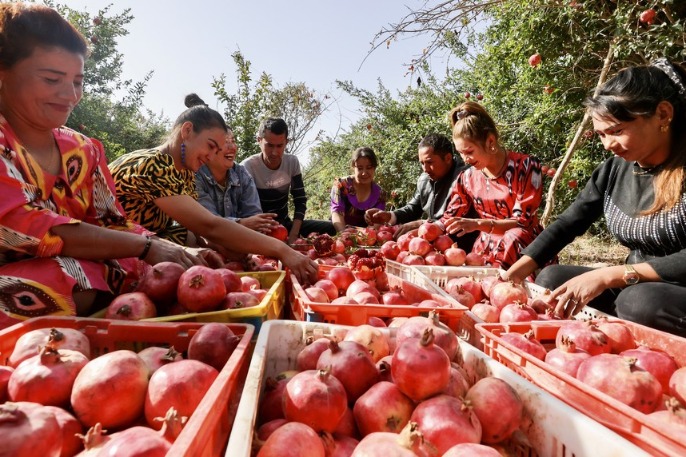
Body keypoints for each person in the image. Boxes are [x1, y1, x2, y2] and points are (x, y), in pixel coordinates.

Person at [0, 3, 209, 328]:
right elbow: (20, 228)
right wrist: (145, 247)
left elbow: (112, 223)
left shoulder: (83, 150)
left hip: (82, 268)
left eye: (78, 81)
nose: (70, 94)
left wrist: (167, 249)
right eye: (52, 79)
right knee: (49, 279)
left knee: (144, 264)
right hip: (17, 275)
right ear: (3, 71)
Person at [504, 59, 686, 337]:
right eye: (601, 134)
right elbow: (570, 221)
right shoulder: (615, 169)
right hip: (634, 282)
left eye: (616, 131)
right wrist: (517, 270)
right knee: (552, 280)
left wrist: (608, 275)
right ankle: (613, 333)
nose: (608, 145)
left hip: (664, 290)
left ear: (662, 114)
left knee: (638, 302)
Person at [109, 96, 318, 284]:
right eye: (210, 146)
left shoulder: (185, 173)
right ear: (187, 131)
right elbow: (209, 225)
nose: (211, 156)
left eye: (216, 150)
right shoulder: (154, 165)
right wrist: (281, 249)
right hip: (114, 243)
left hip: (147, 239)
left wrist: (223, 249)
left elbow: (199, 230)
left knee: (192, 242)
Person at [439, 101, 545, 269]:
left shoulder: (526, 167)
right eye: (460, 153)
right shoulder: (467, 177)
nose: (465, 159)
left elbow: (523, 223)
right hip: (484, 253)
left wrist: (478, 224)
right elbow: (450, 217)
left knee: (514, 236)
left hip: (523, 250)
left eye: (469, 151)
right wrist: (421, 229)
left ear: (490, 141)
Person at [364, 133, 477, 249]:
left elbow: (456, 219)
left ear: (448, 158)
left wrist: (423, 224)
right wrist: (390, 216)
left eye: (429, 162)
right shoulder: (425, 179)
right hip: (432, 251)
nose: (425, 169)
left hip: (464, 251)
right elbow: (414, 208)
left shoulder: (466, 178)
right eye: (422, 163)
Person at [241, 117, 336, 243]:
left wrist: (293, 235)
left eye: (280, 146)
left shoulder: (292, 162)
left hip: (285, 225)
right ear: (259, 140)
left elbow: (300, 200)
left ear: (287, 142)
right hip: (258, 230)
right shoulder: (247, 167)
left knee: (331, 228)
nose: (274, 152)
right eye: (269, 145)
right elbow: (247, 211)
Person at [195, 129, 278, 234]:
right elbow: (206, 224)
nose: (232, 147)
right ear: (209, 147)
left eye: (233, 141)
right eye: (225, 142)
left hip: (240, 242)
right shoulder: (195, 176)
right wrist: (242, 223)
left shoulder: (241, 173)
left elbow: (255, 220)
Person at [330, 147, 386, 231]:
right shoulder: (340, 185)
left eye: (369, 167)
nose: (364, 173)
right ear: (353, 167)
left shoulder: (380, 194)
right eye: (359, 168)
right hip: (338, 232)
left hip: (365, 238)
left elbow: (376, 223)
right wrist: (343, 235)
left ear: (374, 168)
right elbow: (337, 213)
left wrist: (363, 238)